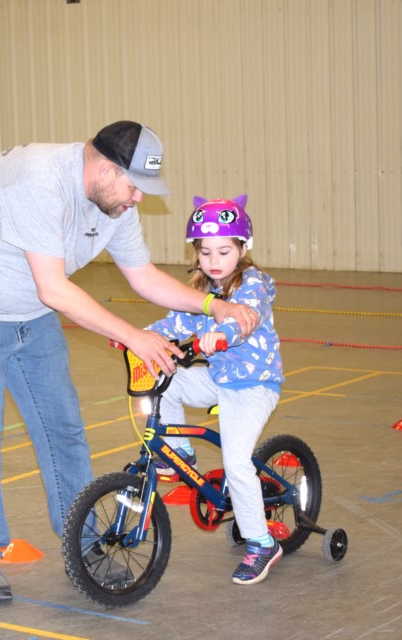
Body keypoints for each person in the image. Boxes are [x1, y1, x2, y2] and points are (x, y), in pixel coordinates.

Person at [0, 121, 258, 602]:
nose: (139, 199)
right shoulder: (36, 181)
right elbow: (54, 288)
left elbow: (143, 277)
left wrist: (213, 305)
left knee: (64, 428)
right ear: (104, 168)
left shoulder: (113, 202)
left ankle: (86, 544)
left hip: (29, 313)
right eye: (135, 186)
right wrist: (135, 337)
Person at [144, 194, 284, 585]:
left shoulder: (251, 283)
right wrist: (140, 337)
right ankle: (178, 454)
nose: (214, 260)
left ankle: (262, 543)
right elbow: (175, 321)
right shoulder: (203, 286)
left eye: (224, 250)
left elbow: (247, 318)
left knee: (237, 463)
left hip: (253, 384)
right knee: (164, 380)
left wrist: (221, 334)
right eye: (205, 252)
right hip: (220, 378)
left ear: (243, 248)